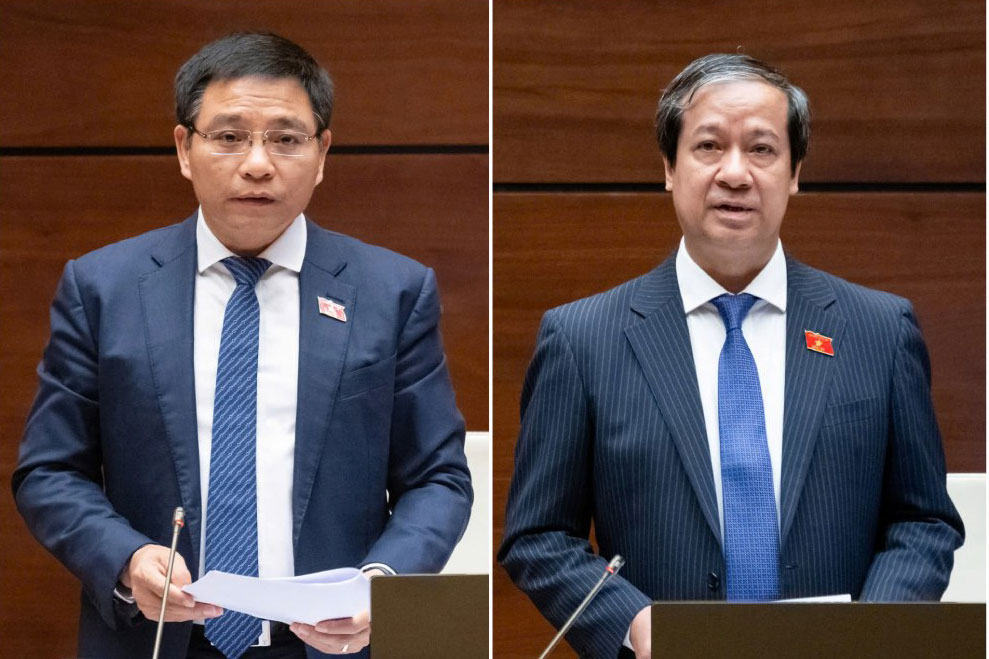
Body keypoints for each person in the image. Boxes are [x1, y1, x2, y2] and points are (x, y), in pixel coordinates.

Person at [12, 32, 472, 659]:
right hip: (156, 637)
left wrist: (380, 586)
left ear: (322, 153)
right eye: (229, 136)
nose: (257, 164)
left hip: (331, 643)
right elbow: (49, 469)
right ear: (185, 148)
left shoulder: (392, 292)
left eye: (286, 139)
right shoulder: (103, 288)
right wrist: (126, 558)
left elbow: (438, 478)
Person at [498, 53, 963, 659]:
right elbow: (538, 536)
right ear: (670, 168)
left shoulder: (878, 330)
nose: (735, 173)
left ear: (795, 173)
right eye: (709, 146)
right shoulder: (583, 338)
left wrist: (870, 631)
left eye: (762, 149)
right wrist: (631, 622)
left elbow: (924, 521)